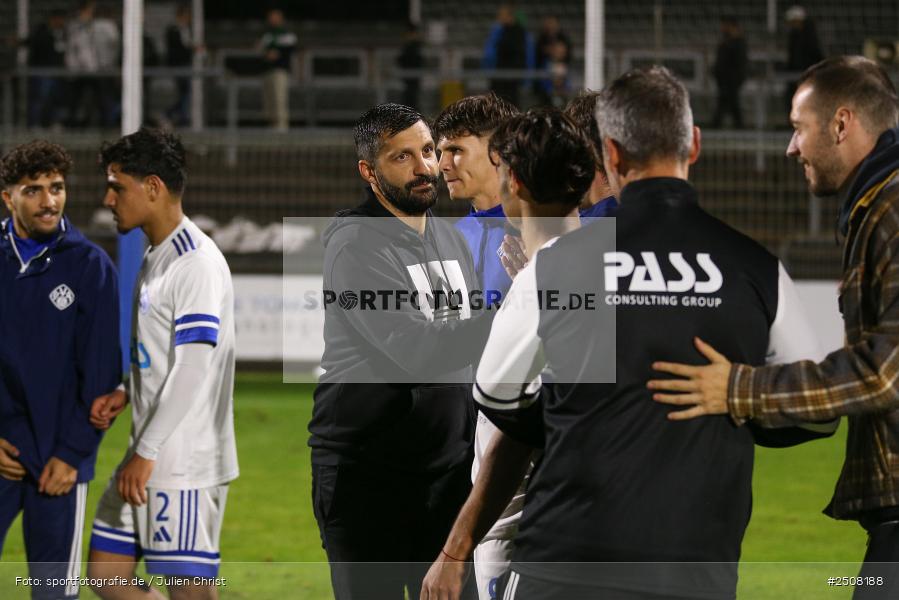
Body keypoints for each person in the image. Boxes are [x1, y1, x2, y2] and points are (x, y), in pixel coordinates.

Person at [421, 66, 836, 600]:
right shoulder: (756, 269)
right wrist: (734, 396)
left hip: (564, 564)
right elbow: (816, 416)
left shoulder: (553, 266)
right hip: (696, 569)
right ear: (696, 145)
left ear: (610, 155)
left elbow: (501, 403)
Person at [647, 56, 899, 600]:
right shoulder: (874, 207)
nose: (790, 148)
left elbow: (887, 371)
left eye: (797, 128)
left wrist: (741, 388)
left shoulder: (894, 207)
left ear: (841, 124)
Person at [310, 103, 496, 600]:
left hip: (447, 479)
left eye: (429, 152)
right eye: (402, 157)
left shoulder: (449, 238)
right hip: (368, 482)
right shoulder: (356, 247)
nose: (424, 168)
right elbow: (416, 350)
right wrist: (514, 312)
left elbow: (471, 351)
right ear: (369, 172)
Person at [86, 128, 239, 600]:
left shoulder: (195, 264)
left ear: (152, 187)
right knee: (106, 577)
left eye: (117, 186)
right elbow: (163, 354)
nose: (108, 198)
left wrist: (145, 453)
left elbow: (193, 367)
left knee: (190, 594)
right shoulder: (159, 255)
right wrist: (128, 390)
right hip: (151, 451)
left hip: (181, 464)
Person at [0, 140, 120, 600]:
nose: (49, 201)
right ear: (7, 197)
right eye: (33, 190)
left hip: (58, 464)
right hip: (4, 450)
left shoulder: (89, 266)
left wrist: (72, 455)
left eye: (57, 187)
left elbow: (101, 375)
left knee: (53, 593)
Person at [434, 93, 520, 305]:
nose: (442, 165)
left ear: (499, 153)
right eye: (441, 152)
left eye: (455, 150)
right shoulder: (450, 239)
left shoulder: (543, 231)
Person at [482, 5, 534, 108]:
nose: (499, 18)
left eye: (502, 15)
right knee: (497, 102)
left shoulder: (518, 32)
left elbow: (518, 53)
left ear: (510, 16)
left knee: (511, 102)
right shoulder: (500, 30)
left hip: (512, 74)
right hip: (499, 73)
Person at [25, 10, 67, 128]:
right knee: (39, 99)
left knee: (56, 99)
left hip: (58, 72)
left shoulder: (63, 33)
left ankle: (56, 122)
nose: (61, 22)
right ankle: (34, 124)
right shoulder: (42, 31)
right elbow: (31, 43)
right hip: (42, 71)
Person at [783, 5, 823, 122]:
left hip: (807, 73)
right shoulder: (795, 35)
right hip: (796, 73)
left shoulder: (809, 36)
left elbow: (814, 53)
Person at [259, 8, 297, 131]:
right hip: (267, 72)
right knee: (269, 104)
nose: (272, 19)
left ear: (280, 18)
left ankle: (282, 131)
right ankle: (272, 129)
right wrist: (267, 54)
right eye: (270, 17)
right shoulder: (267, 34)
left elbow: (289, 50)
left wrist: (277, 53)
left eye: (275, 17)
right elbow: (261, 50)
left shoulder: (287, 34)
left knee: (280, 101)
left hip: (280, 72)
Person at [711, 17, 749, 129]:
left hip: (731, 79)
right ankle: (736, 125)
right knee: (729, 102)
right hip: (724, 79)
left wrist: (737, 77)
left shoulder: (738, 42)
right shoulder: (727, 40)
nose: (722, 28)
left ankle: (718, 124)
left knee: (729, 102)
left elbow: (739, 62)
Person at [165, 3, 196, 126]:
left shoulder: (187, 29)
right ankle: (178, 115)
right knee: (185, 90)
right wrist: (192, 49)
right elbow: (177, 48)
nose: (189, 18)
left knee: (185, 91)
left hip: (185, 64)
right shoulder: (173, 29)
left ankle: (176, 113)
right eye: (187, 15)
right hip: (178, 64)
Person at [534, 17, 572, 107]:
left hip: (561, 94)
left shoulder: (564, 67)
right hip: (547, 95)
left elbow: (567, 86)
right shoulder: (546, 65)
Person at [396, 22, 424, 110]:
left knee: (411, 95)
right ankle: (410, 110)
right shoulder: (411, 43)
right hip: (409, 72)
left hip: (413, 71)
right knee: (410, 94)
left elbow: (411, 58)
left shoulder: (413, 43)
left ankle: (411, 110)